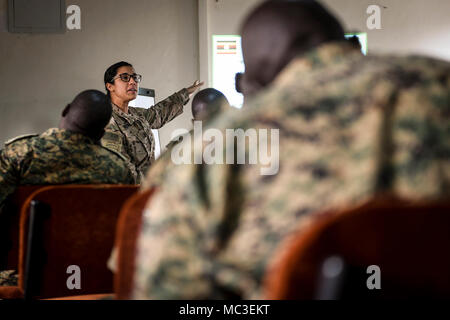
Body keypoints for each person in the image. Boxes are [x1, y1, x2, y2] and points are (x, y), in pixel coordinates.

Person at [132, 0, 450, 299]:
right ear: (348, 45)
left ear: (251, 83)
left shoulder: (211, 149)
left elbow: (168, 291)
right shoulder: (441, 82)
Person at [0, 89, 134, 286]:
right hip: (95, 277)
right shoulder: (120, 169)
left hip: (25, 278)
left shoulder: (19, 154)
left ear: (65, 110)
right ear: (101, 133)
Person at [101, 61, 204, 183]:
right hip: (129, 194)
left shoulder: (135, 114)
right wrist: (157, 180)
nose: (133, 82)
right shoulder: (107, 120)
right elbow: (122, 171)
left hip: (146, 191)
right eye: (125, 78)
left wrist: (186, 93)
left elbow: (159, 113)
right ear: (110, 86)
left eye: (135, 78)